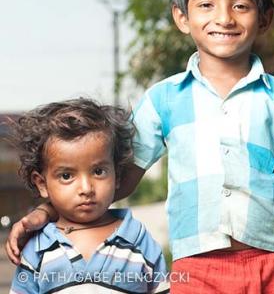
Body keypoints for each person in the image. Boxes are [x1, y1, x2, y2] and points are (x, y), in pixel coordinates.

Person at [7, 0, 274, 293]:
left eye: (241, 5)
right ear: (182, 17)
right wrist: (45, 212)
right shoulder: (163, 100)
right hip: (195, 272)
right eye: (206, 4)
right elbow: (113, 180)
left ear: (265, 18)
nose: (224, 18)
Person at [9, 98, 169, 294]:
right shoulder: (38, 248)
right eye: (67, 176)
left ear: (117, 175)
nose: (86, 188)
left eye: (99, 172)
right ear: (42, 183)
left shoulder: (137, 239)